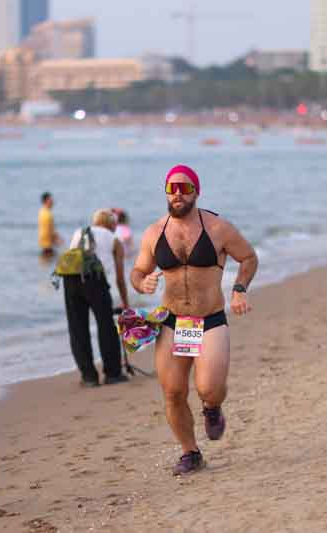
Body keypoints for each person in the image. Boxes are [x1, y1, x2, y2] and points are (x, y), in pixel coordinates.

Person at [131, 164, 258, 476]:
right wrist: (141, 283)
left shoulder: (218, 228)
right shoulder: (153, 232)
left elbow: (249, 257)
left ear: (196, 192)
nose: (178, 194)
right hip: (174, 322)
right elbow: (137, 271)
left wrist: (239, 289)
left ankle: (212, 408)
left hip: (209, 319)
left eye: (185, 188)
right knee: (173, 392)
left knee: (209, 388)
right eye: (172, 188)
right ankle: (190, 453)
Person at [64, 209, 130, 387]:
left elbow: (72, 260)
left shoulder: (80, 232)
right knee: (105, 324)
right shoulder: (113, 238)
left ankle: (89, 377)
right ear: (111, 224)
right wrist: (125, 302)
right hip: (95, 280)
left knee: (77, 327)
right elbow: (119, 278)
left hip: (70, 279)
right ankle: (112, 373)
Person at [38, 192, 62, 258]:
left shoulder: (41, 211)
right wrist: (57, 239)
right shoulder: (47, 214)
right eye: (50, 200)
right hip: (47, 243)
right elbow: (49, 229)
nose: (52, 202)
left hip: (44, 242)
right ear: (46, 201)